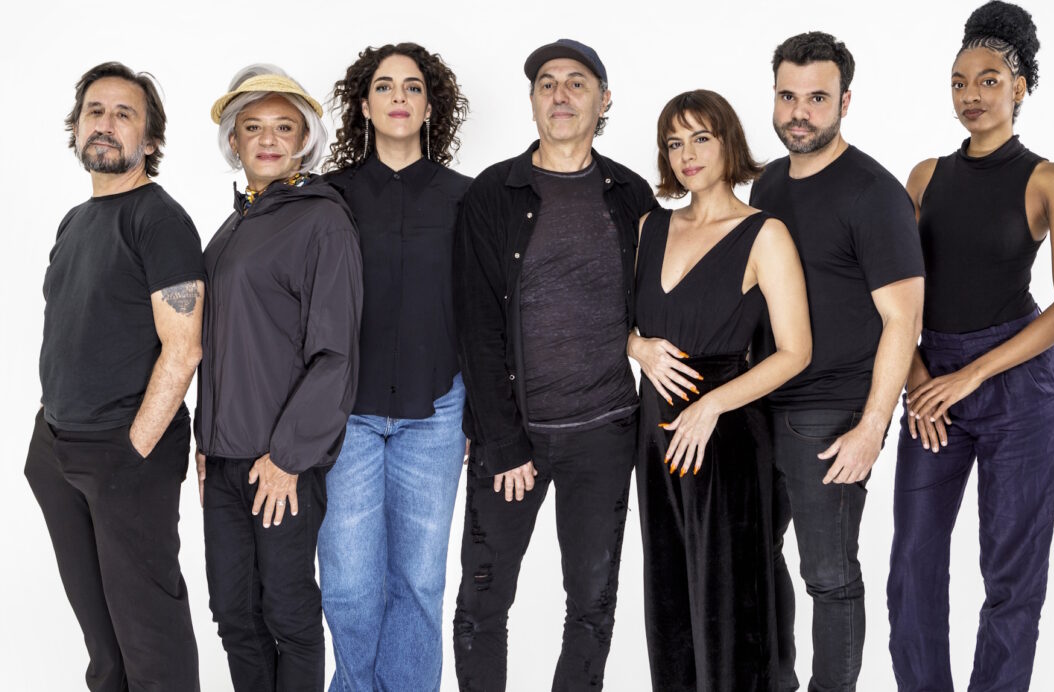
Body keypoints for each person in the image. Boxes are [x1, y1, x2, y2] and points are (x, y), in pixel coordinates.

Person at [887, 0, 1054, 692]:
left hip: (1018, 383)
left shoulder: (1050, 179)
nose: (970, 95)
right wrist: (916, 374)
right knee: (912, 563)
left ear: (1019, 87)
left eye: (988, 80)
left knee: (1012, 573)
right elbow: (895, 296)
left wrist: (972, 375)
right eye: (958, 82)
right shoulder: (924, 177)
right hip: (932, 378)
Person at [452, 38, 657, 691]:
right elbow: (476, 325)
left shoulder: (631, 194)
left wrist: (640, 344)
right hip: (514, 437)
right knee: (482, 604)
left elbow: (656, 303)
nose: (560, 95)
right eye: (547, 83)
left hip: (605, 434)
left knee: (592, 607)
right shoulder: (494, 193)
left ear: (604, 100)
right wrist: (504, 441)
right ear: (533, 100)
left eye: (576, 83)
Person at [749, 32, 925, 691]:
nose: (800, 112)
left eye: (817, 98)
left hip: (829, 414)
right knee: (756, 559)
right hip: (760, 401)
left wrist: (872, 426)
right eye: (788, 96)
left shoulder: (872, 192)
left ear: (845, 101)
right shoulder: (768, 182)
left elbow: (903, 319)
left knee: (828, 575)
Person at [24, 62, 204, 692]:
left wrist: (134, 451)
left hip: (125, 454)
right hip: (58, 449)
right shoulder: (75, 221)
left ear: (149, 141)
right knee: (103, 643)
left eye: (124, 114)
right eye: (94, 112)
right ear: (76, 127)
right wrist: (47, 437)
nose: (105, 124)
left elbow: (184, 348)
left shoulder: (159, 220)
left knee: (150, 637)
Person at [628, 89, 812, 691]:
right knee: (670, 597)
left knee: (731, 603)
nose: (687, 154)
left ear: (728, 142)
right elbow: (617, 322)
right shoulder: (650, 227)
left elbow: (796, 351)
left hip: (726, 435)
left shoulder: (764, 235)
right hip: (656, 435)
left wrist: (711, 404)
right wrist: (638, 348)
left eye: (701, 138)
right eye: (674, 143)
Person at [196, 64, 363, 692]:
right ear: (234, 141)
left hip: (280, 463)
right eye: (253, 127)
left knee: (288, 615)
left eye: (283, 127)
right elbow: (218, 344)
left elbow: (336, 352)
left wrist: (289, 458)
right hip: (224, 461)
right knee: (233, 615)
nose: (267, 139)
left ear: (304, 139)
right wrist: (205, 440)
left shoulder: (322, 220)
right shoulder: (232, 227)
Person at [317, 42, 471, 692]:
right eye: (384, 86)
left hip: (435, 413)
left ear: (431, 106)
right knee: (348, 585)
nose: (399, 97)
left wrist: (481, 417)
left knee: (419, 582)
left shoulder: (467, 198)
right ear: (364, 105)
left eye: (412, 87)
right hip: (345, 415)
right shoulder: (330, 197)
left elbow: (482, 312)